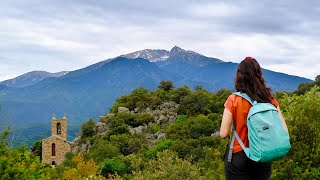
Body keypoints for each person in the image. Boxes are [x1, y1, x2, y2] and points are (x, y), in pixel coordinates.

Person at [219, 57, 288, 180]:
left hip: (239, 156)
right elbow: (284, 130)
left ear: (239, 76)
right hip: (263, 154)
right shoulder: (270, 100)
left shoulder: (233, 100)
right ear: (259, 74)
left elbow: (223, 133)